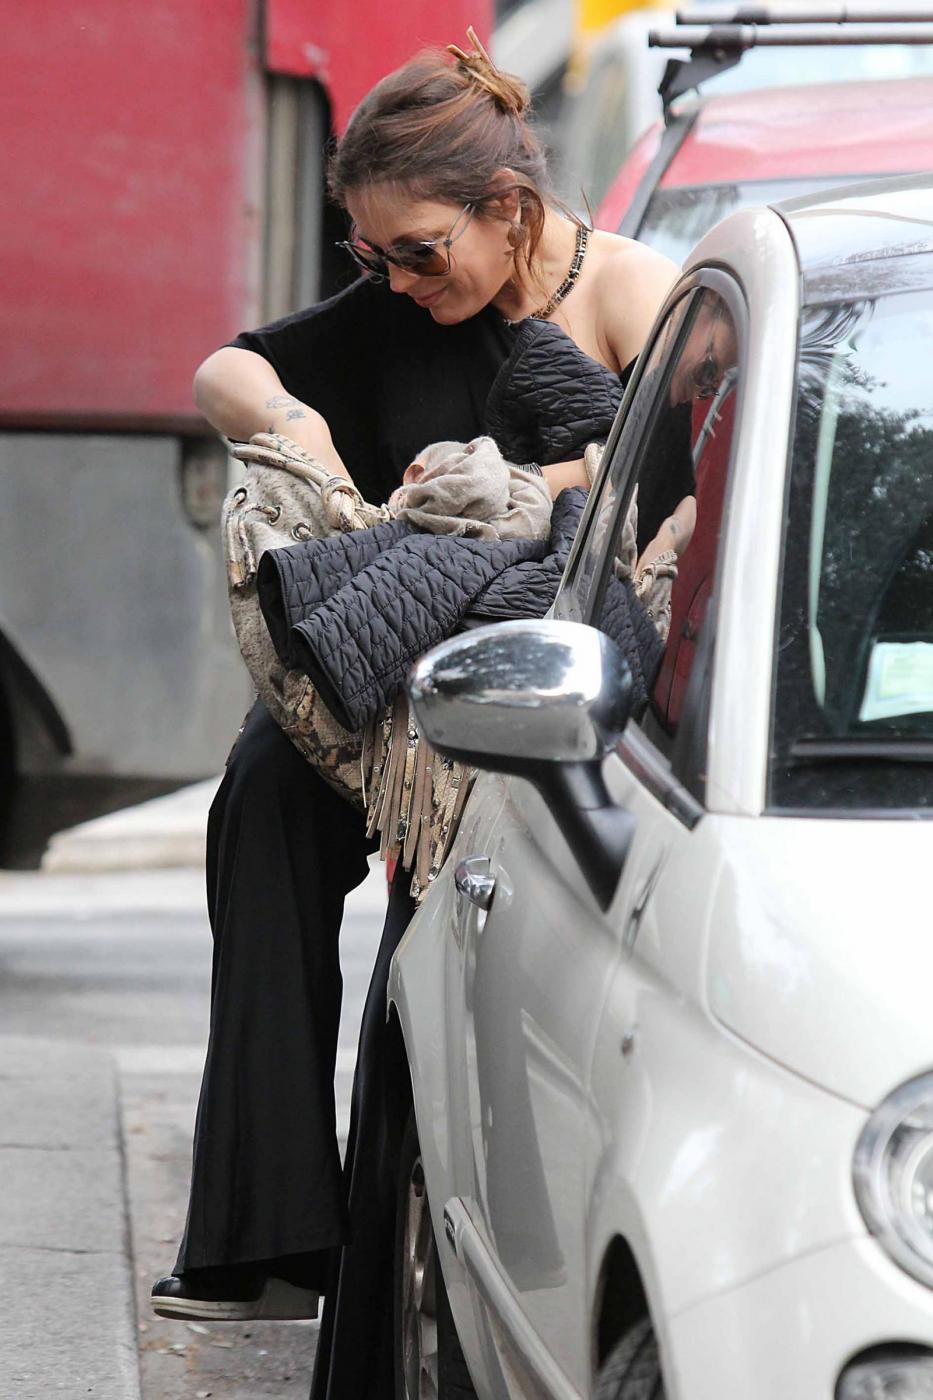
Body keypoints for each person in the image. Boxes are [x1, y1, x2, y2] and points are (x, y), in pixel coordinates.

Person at [151, 28, 677, 1324]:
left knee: (447, 893)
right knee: (261, 799)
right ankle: (268, 1238)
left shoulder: (630, 294)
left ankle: (398, 1263)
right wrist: (295, 424)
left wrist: (533, 482)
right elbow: (226, 367)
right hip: (386, 665)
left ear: (510, 209)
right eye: (369, 254)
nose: (392, 278)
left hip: (538, 680)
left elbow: (677, 477)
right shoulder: (391, 310)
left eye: (420, 251)